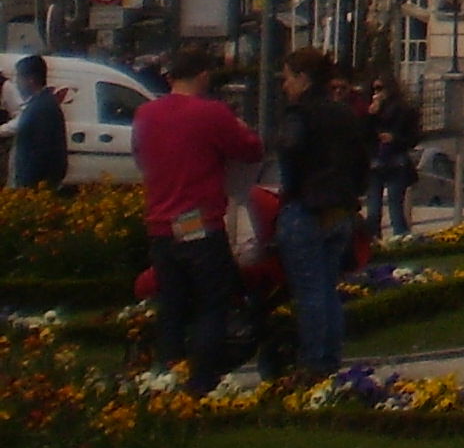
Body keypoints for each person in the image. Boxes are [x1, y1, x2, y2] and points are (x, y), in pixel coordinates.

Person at [131, 44, 262, 393]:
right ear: (203, 74)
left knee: (171, 306)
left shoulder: (145, 114)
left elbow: (140, 156)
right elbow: (250, 149)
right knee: (210, 305)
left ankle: (168, 376)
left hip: (160, 226)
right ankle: (202, 381)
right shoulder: (212, 114)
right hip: (201, 224)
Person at [271, 47, 371, 375]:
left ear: (302, 79)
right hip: (340, 208)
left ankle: (315, 361)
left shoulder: (299, 114)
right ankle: (329, 357)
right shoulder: (345, 113)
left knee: (310, 290)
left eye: (287, 78)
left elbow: (291, 156)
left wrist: (292, 192)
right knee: (327, 288)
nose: (284, 86)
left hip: (307, 207)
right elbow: (361, 161)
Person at [363, 75, 422, 238]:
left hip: (396, 161)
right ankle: (373, 240)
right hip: (375, 162)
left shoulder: (404, 110)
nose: (377, 93)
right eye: (374, 89)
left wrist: (394, 138)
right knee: (373, 209)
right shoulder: (370, 111)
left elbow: (413, 137)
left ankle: (401, 238)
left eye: (380, 88)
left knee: (395, 206)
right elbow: (362, 135)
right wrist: (370, 115)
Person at [9, 52, 68, 189]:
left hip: (36, 186)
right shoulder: (38, 104)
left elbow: (41, 151)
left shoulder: (42, 108)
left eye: (18, 77)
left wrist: (29, 184)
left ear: (30, 79)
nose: (16, 83)